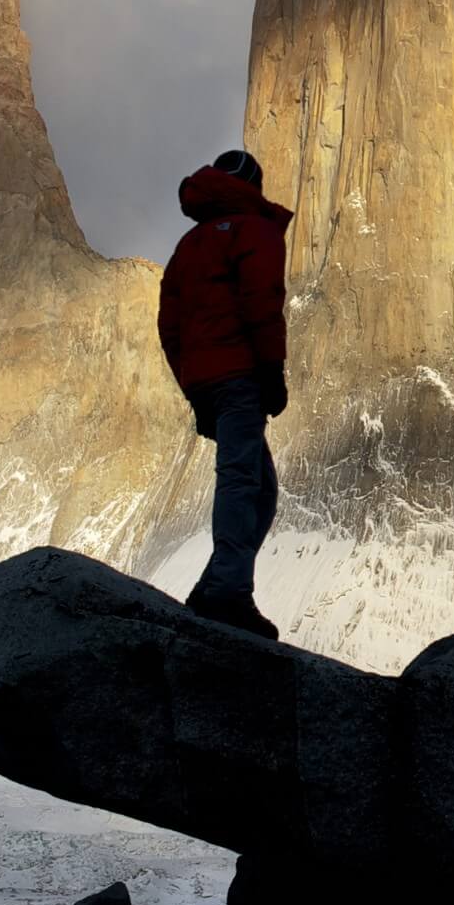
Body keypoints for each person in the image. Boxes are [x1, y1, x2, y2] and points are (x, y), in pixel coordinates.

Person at [157, 148, 293, 639]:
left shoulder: (188, 245)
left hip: (207, 380)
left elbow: (169, 325)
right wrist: (271, 369)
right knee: (241, 481)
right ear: (252, 186)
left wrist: (192, 383)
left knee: (260, 485)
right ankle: (229, 593)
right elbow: (263, 302)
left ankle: (218, 583)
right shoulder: (255, 230)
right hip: (240, 376)